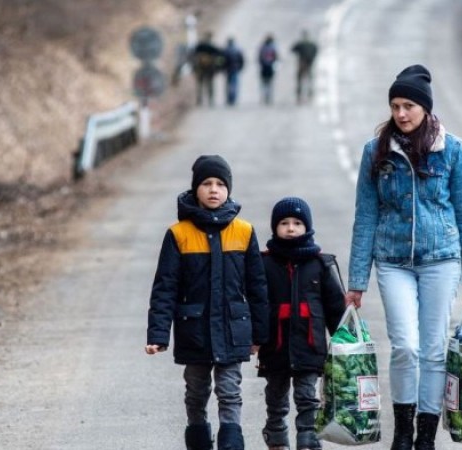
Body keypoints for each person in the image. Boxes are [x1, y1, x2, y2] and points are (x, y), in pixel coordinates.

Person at [345, 65, 462, 450]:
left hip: (441, 259)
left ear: (425, 108)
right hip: (392, 262)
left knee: (434, 350)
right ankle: (402, 431)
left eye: (408, 105)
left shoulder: (452, 150)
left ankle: (425, 435)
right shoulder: (375, 152)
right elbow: (366, 216)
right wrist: (357, 281)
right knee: (406, 345)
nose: (401, 114)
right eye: (395, 106)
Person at [146, 154, 269, 450]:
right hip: (194, 331)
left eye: (220, 184)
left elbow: (257, 288)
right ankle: (199, 438)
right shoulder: (179, 234)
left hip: (233, 328)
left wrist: (259, 335)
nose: (213, 189)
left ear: (228, 189)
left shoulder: (244, 231)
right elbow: (165, 287)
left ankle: (231, 443)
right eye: (206, 183)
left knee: (230, 391)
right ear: (195, 189)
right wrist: (158, 334)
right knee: (196, 391)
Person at [257, 197, 346, 450]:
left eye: (297, 223)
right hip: (275, 344)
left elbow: (335, 308)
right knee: (276, 397)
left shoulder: (320, 264)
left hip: (310, 345)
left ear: (307, 227)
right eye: (284, 223)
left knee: (307, 397)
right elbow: (256, 304)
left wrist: (344, 341)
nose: (291, 228)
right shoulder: (264, 263)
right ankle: (276, 436)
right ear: (275, 227)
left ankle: (308, 441)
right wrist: (254, 338)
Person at [191, 32, 225, 106]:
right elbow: (220, 58)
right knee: (210, 85)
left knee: (200, 85)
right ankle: (211, 100)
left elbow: (193, 56)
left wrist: (194, 68)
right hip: (210, 70)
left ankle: (199, 100)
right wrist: (218, 68)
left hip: (200, 69)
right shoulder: (213, 47)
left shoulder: (199, 46)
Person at [290, 30, 318, 104]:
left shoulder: (300, 44)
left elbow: (292, 49)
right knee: (309, 79)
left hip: (301, 64)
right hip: (309, 64)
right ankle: (310, 94)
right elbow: (316, 50)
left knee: (299, 80)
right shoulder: (312, 44)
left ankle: (299, 96)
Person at [222, 37, 245, 106]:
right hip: (235, 69)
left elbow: (222, 61)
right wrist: (240, 68)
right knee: (234, 85)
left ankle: (229, 98)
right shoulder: (237, 50)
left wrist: (223, 68)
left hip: (228, 70)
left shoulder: (225, 50)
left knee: (228, 85)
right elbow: (242, 60)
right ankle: (233, 98)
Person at [258, 34, 279, 105]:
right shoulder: (273, 47)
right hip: (270, 67)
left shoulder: (262, 47)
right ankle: (269, 97)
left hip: (264, 67)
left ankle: (264, 96)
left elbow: (259, 58)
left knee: (264, 83)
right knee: (270, 83)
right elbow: (277, 57)